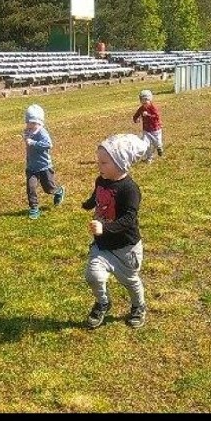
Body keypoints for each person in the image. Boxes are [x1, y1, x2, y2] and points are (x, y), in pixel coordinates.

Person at [81, 133, 148, 329]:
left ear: (121, 163)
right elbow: (98, 195)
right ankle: (103, 303)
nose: (99, 166)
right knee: (93, 275)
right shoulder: (101, 180)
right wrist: (89, 203)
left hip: (126, 248)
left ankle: (138, 306)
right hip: (102, 245)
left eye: (103, 162)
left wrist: (105, 227)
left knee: (130, 281)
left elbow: (129, 219)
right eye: (99, 162)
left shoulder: (130, 189)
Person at [23, 103, 65, 220]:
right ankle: (34, 208)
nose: (30, 125)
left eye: (33, 123)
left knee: (48, 189)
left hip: (44, 166)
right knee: (31, 187)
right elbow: (26, 138)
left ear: (40, 123)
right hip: (31, 167)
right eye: (28, 122)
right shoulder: (28, 131)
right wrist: (26, 137)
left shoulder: (42, 132)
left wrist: (33, 143)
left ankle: (58, 191)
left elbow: (48, 144)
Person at [132, 88, 163, 160]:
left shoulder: (153, 108)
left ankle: (159, 147)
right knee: (146, 145)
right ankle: (149, 158)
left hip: (155, 129)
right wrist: (136, 119)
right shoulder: (141, 108)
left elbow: (156, 117)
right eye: (143, 100)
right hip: (146, 130)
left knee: (157, 143)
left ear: (150, 100)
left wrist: (148, 115)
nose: (145, 102)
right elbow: (136, 116)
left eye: (147, 100)